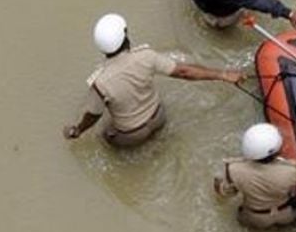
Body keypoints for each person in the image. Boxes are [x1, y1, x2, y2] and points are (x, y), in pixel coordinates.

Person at [64, 13, 244, 148]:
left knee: (104, 136)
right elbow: (184, 71)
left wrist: (77, 130)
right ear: (126, 36)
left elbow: (92, 116)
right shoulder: (146, 56)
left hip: (131, 135)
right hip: (159, 117)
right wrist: (223, 74)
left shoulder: (100, 82)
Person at [214, 123, 296, 228]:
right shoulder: (289, 171)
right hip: (286, 215)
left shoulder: (234, 169)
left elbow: (225, 193)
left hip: (254, 217)